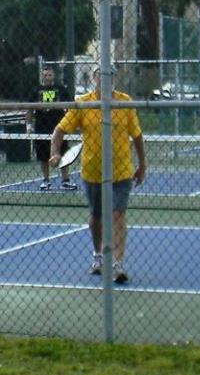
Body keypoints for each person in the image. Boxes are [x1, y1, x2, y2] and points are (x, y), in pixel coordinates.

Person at [49, 80, 147, 284]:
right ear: (95, 80)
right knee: (96, 216)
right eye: (101, 76)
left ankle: (117, 264)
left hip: (121, 172)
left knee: (117, 214)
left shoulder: (125, 102)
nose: (105, 81)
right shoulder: (84, 103)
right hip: (92, 172)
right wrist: (55, 153)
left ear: (114, 80)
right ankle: (98, 256)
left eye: (109, 76)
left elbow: (137, 136)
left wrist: (142, 165)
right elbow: (59, 131)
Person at [33, 68, 75, 191]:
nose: (47, 77)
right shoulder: (36, 90)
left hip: (59, 127)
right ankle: (46, 181)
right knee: (43, 156)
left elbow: (70, 107)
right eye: (45, 75)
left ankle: (65, 181)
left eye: (49, 74)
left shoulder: (61, 89)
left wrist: (69, 123)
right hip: (41, 128)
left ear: (53, 76)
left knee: (63, 153)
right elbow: (29, 109)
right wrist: (29, 126)